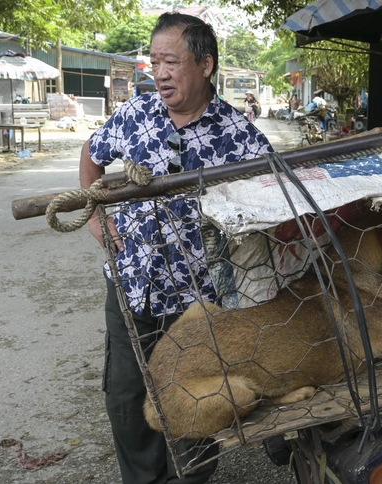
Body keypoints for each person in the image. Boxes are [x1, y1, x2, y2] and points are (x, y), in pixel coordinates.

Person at [79, 12, 273, 484]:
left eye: (171, 61)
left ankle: (191, 478)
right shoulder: (135, 115)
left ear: (205, 65)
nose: (159, 73)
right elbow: (92, 152)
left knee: (195, 394)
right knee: (126, 397)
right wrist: (94, 214)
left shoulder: (239, 134)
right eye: (154, 63)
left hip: (199, 298)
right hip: (131, 283)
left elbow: (273, 200)